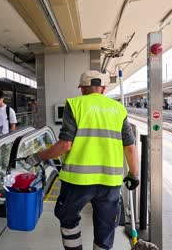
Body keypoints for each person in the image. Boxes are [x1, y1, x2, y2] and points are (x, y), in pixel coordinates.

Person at [24, 70, 139, 250]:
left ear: (83, 88)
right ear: (103, 88)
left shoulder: (75, 104)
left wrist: (37, 156)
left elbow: (65, 146)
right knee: (106, 225)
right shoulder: (118, 109)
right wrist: (134, 174)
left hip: (77, 181)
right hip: (110, 182)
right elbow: (130, 147)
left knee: (68, 218)